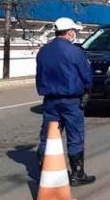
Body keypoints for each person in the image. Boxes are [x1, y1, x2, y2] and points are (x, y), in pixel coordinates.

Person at [36, 17, 95, 186]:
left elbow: (40, 76)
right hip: (71, 101)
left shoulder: (44, 51)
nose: (75, 34)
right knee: (75, 136)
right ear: (69, 32)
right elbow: (86, 76)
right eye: (74, 31)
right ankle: (77, 174)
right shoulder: (75, 52)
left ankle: (45, 169)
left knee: (48, 136)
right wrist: (88, 90)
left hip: (50, 100)